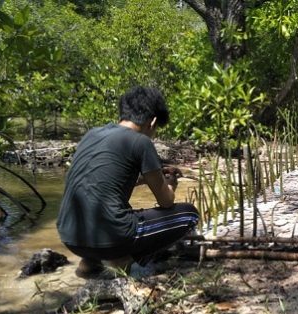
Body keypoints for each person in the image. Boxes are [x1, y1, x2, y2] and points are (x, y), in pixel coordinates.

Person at [57, 86, 199, 278]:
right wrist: (171, 184)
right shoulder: (141, 142)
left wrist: (148, 177)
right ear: (153, 122)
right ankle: (123, 259)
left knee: (110, 209)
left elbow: (107, 181)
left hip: (69, 235)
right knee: (189, 215)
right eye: (156, 129)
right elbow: (166, 201)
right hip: (112, 238)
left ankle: (89, 263)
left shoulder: (92, 134)